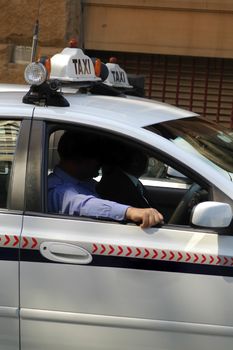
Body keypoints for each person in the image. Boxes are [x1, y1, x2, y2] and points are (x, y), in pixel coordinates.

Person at [48, 131, 163, 228]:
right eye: (98, 157)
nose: (102, 162)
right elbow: (83, 204)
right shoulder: (58, 190)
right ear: (79, 158)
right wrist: (129, 211)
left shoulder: (85, 182)